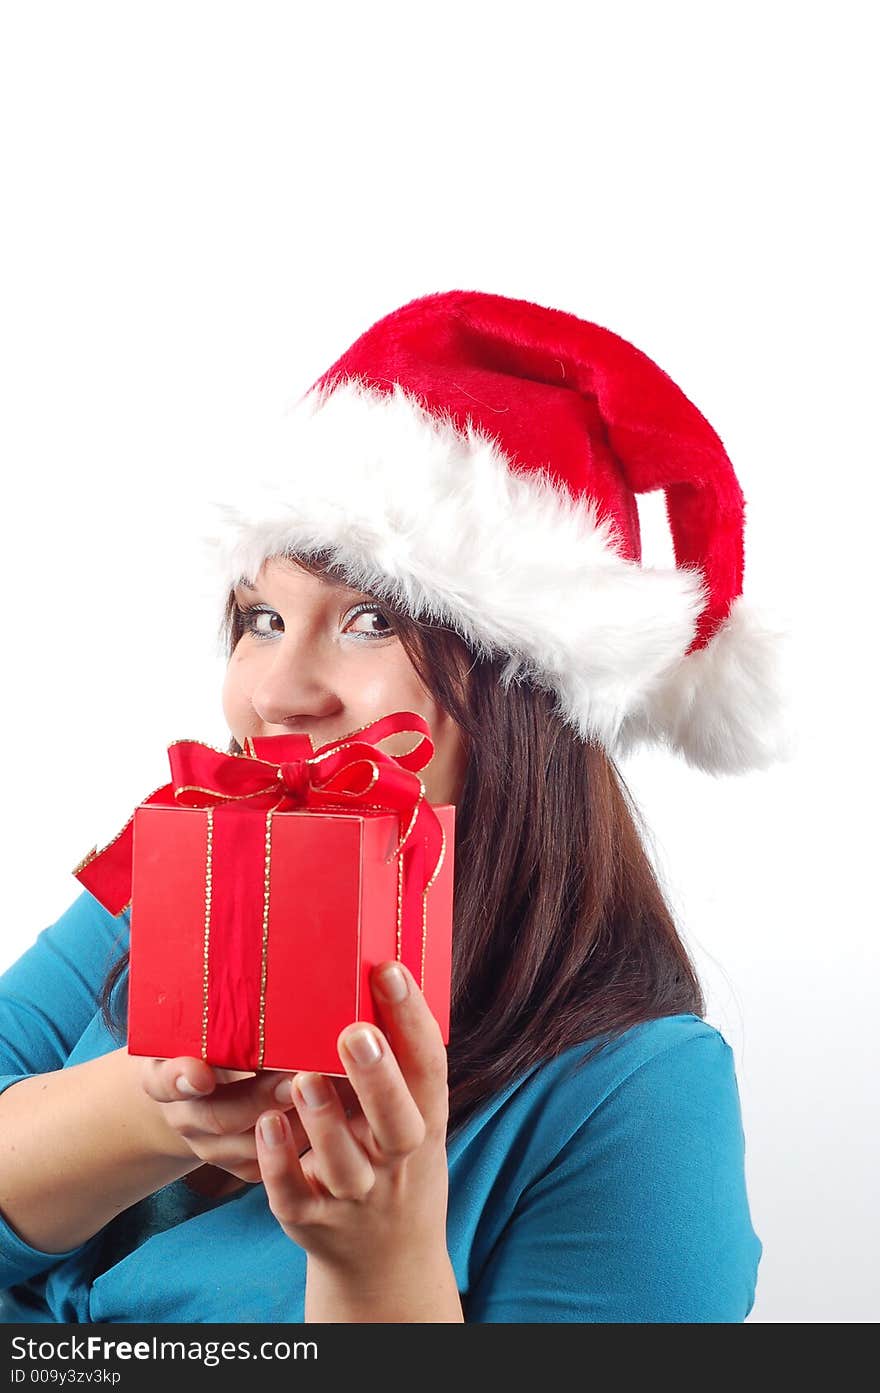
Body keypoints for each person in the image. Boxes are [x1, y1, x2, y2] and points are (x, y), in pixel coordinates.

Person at [0, 289, 791, 1324]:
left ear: (527, 685)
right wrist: (158, 1102)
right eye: (263, 616)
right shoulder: (149, 897)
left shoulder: (636, 1100)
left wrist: (378, 1263)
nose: (278, 691)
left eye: (368, 619)